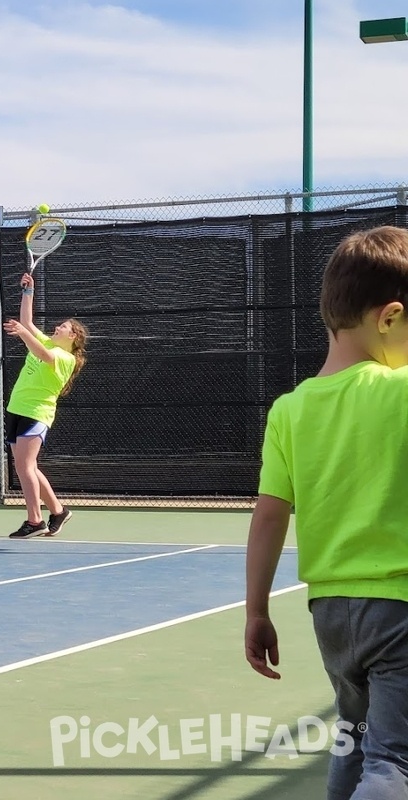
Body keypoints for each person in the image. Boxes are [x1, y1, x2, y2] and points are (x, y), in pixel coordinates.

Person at [245, 225, 408, 799]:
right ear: (389, 318)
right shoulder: (402, 390)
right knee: (396, 762)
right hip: (401, 607)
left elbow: (268, 517)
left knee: (355, 739)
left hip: (331, 612)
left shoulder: (289, 410)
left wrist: (257, 613)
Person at [2, 272, 88, 539]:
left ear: (73, 336)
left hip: (36, 413)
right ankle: (59, 512)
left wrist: (24, 334)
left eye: (62, 326)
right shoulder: (50, 342)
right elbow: (27, 321)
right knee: (27, 466)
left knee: (25, 467)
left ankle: (35, 520)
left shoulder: (66, 358)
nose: (56, 328)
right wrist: (28, 291)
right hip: (17, 408)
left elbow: (41, 352)